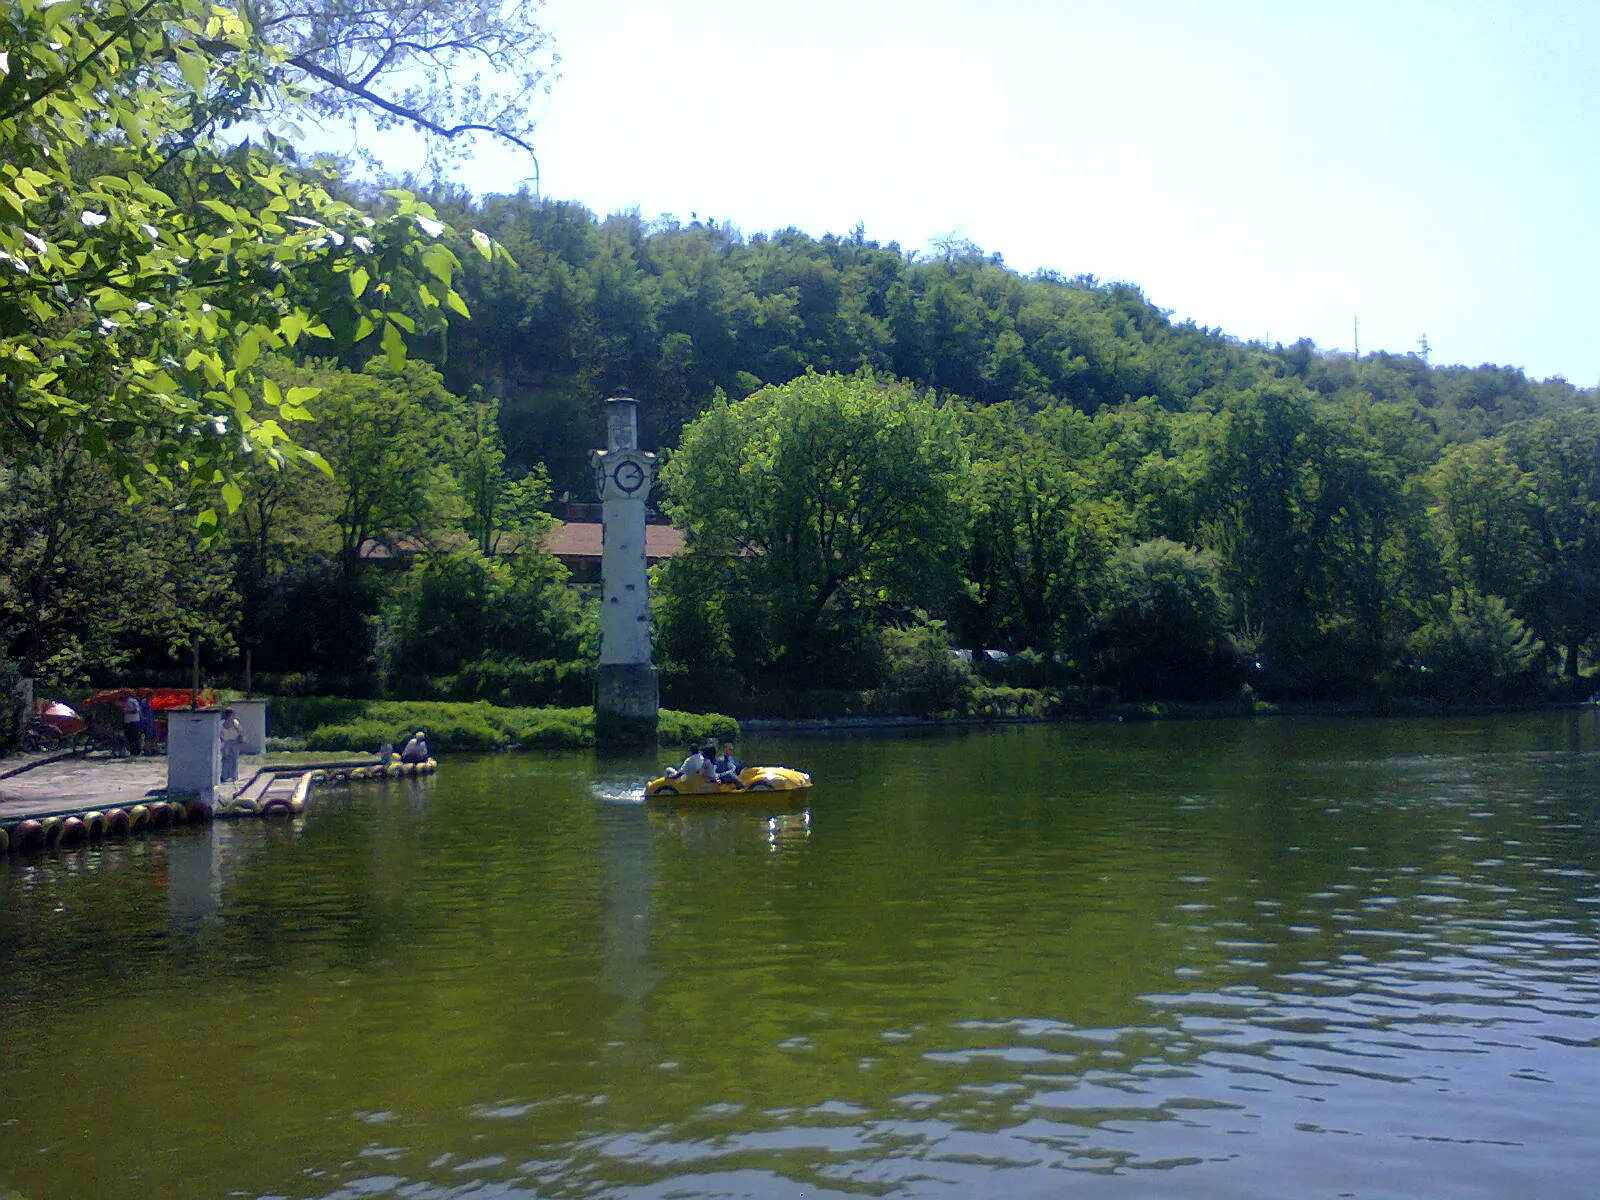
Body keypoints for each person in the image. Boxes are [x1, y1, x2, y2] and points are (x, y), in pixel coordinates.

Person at [219, 708, 245, 782]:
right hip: (225, 742)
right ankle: (224, 776)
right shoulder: (221, 723)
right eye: (231, 715)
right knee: (225, 759)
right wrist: (222, 740)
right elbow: (219, 733)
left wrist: (240, 738)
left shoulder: (235, 722)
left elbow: (240, 731)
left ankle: (234, 777)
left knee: (234, 759)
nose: (233, 716)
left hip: (234, 742)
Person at [121, 692, 143, 757]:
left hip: (134, 721)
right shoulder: (123, 702)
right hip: (127, 722)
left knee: (135, 737)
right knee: (129, 737)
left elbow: (137, 710)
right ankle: (132, 751)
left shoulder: (133, 701)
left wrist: (127, 712)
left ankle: (137, 752)